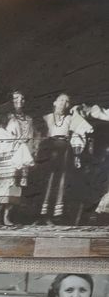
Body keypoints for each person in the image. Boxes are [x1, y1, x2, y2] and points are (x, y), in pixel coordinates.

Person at [37, 93, 93, 226]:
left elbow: (87, 129)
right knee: (48, 180)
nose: (64, 103)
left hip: (65, 151)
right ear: (55, 102)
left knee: (61, 180)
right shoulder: (46, 118)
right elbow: (38, 135)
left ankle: (57, 215)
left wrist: (78, 112)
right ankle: (42, 215)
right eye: (61, 100)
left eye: (67, 101)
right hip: (49, 151)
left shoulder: (70, 118)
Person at [0, 90, 38, 229]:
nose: (19, 101)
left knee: (14, 184)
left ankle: (7, 216)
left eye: (22, 98)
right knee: (1, 183)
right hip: (5, 152)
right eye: (16, 98)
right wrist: (12, 139)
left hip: (20, 154)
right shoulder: (5, 116)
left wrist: (31, 152)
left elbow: (31, 137)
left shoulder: (28, 119)